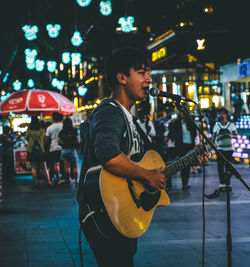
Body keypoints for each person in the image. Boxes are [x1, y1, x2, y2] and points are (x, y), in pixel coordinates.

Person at [78, 47, 208, 266]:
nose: (149, 79)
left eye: (149, 72)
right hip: (104, 212)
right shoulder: (110, 111)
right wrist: (147, 176)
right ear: (122, 77)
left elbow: (144, 164)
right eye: (142, 72)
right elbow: (108, 156)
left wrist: (188, 159)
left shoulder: (128, 117)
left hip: (121, 211)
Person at [168, 110, 198, 190]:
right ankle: (184, 183)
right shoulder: (177, 123)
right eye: (180, 114)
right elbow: (173, 132)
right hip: (181, 146)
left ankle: (185, 183)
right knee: (182, 164)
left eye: (183, 114)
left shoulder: (191, 123)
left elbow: (194, 134)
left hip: (189, 145)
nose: (182, 115)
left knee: (187, 165)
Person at [25, 116, 51, 187]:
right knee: (44, 166)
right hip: (41, 150)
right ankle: (48, 182)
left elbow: (26, 138)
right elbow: (44, 139)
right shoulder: (42, 130)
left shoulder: (29, 130)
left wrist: (31, 142)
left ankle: (36, 182)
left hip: (31, 150)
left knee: (34, 167)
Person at [58, 117, 80, 184]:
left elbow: (58, 142)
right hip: (73, 149)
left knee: (66, 166)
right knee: (75, 166)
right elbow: (78, 141)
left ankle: (68, 180)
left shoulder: (62, 131)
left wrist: (63, 145)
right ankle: (76, 181)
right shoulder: (74, 130)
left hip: (64, 150)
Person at [45, 112, 63, 184]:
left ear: (53, 118)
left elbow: (46, 139)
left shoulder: (50, 127)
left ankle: (58, 179)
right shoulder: (63, 126)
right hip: (62, 147)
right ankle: (65, 178)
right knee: (64, 164)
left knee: (56, 164)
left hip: (53, 147)